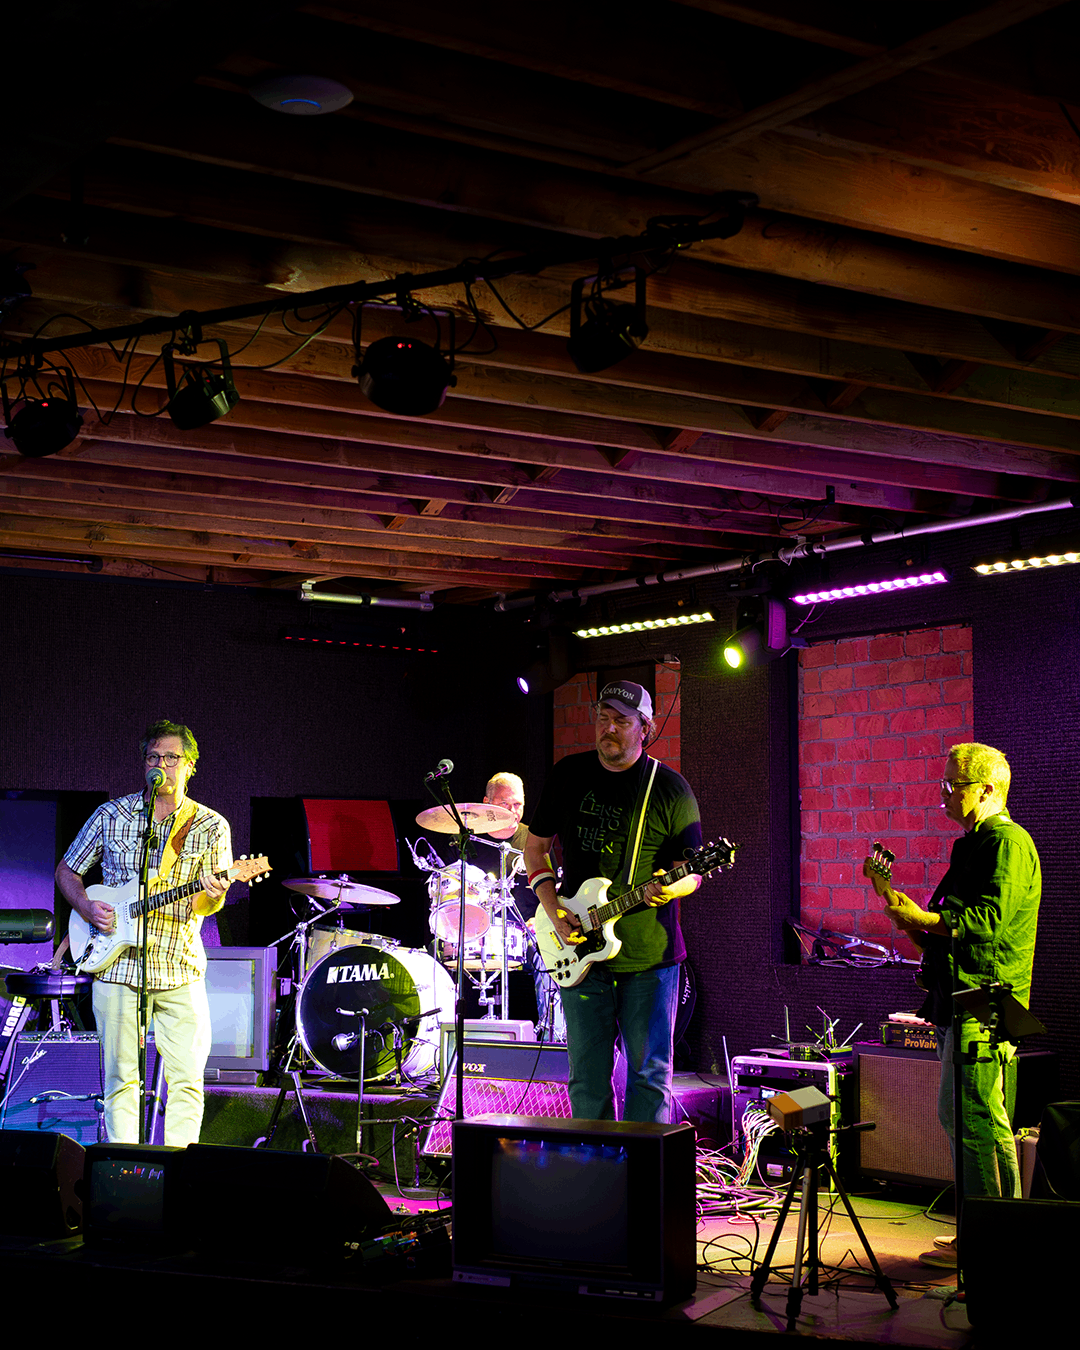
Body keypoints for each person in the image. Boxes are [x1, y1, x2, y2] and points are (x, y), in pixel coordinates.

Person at [883, 742, 1040, 1268]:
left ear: (988, 789)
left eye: (953, 785)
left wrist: (924, 921)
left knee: (973, 1117)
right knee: (977, 1118)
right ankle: (996, 1230)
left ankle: (988, 1240)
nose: (944, 794)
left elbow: (986, 923)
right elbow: (950, 929)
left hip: (986, 1001)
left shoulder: (1007, 843)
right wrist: (913, 920)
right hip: (962, 998)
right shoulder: (971, 845)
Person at [524, 681, 702, 1122]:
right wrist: (553, 908)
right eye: (603, 718)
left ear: (646, 727)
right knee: (586, 1079)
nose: (609, 728)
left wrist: (671, 888)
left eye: (621, 721)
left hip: (649, 958)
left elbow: (692, 872)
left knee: (649, 1077)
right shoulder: (568, 774)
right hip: (580, 951)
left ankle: (645, 1165)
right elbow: (535, 848)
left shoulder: (670, 789)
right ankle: (596, 1162)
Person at [56, 719, 232, 1147]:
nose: (161, 765)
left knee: (187, 1080)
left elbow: (204, 906)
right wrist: (85, 906)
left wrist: (214, 894)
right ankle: (121, 1167)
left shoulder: (211, 826)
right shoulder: (111, 815)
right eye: (153, 757)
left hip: (179, 967)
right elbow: (67, 870)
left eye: (171, 757)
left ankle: (177, 1169)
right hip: (117, 967)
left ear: (189, 765)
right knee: (120, 1079)